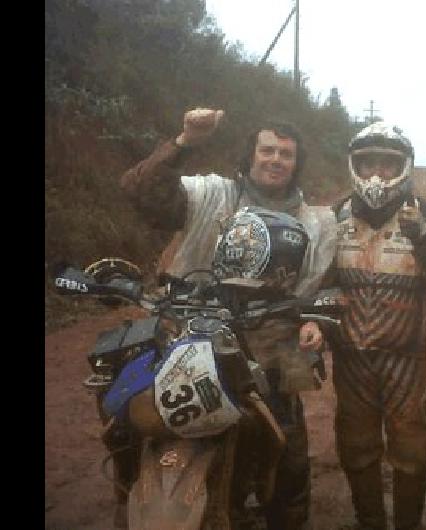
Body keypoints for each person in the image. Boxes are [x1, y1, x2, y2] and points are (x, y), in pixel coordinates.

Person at [116, 108, 337, 529]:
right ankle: (133, 499)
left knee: (287, 450)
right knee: (139, 418)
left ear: (297, 163)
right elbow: (139, 192)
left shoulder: (318, 221)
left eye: (286, 154)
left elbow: (326, 284)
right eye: (267, 150)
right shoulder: (213, 194)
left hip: (274, 338)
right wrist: (184, 142)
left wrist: (317, 321)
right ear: (251, 156)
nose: (275, 159)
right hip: (191, 326)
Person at [325, 121, 426, 530]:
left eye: (387, 164)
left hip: (405, 356)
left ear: (404, 167)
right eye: (367, 163)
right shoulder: (335, 215)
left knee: (412, 444)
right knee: (355, 443)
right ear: (353, 164)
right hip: (350, 355)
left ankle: (407, 523)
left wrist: (422, 238)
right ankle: (369, 521)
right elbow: (317, 280)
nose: (376, 173)